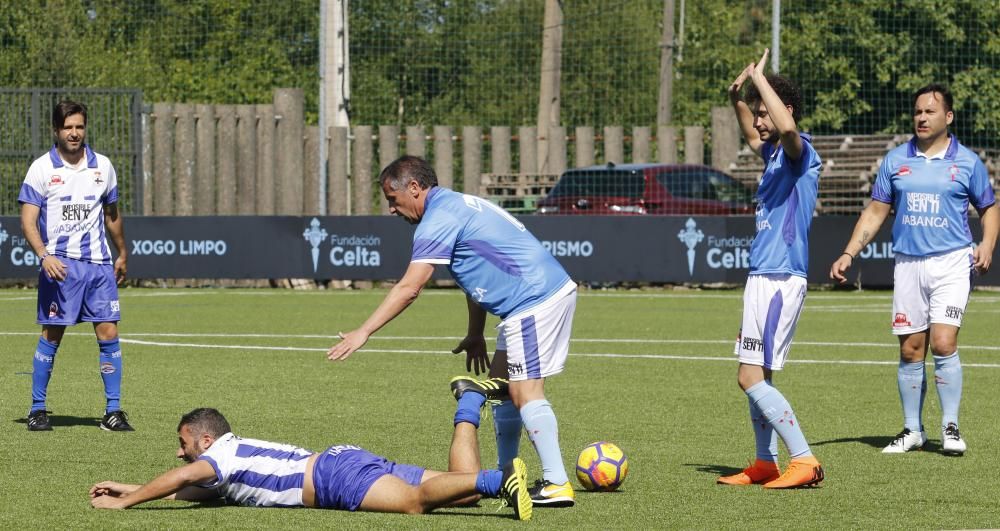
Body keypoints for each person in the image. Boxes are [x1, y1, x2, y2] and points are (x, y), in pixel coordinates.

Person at [327, 155, 579, 507]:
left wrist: (363, 331)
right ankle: (507, 475)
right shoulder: (453, 204)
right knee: (502, 388)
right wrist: (475, 333)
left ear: (414, 188)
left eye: (392, 198)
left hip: (534, 299)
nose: (391, 209)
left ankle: (556, 483)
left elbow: (410, 287)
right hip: (532, 299)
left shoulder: (438, 217)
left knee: (525, 392)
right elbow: (475, 276)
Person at [830, 83, 998, 455]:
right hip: (908, 264)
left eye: (930, 111)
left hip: (952, 262)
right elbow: (875, 212)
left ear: (948, 117)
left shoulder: (968, 162)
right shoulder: (895, 160)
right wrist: (849, 253)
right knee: (911, 350)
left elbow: (989, 208)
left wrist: (986, 244)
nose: (921, 117)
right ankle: (911, 431)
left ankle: (950, 427)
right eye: (918, 111)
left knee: (943, 342)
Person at [88, 407, 532, 521]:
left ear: (206, 438)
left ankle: (502, 479)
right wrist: (130, 488)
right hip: (343, 459)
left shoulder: (217, 455)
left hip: (330, 477)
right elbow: (188, 489)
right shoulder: (231, 456)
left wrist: (123, 507)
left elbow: (184, 476)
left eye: (183, 443)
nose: (180, 452)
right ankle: (470, 402)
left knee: (415, 504)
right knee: (464, 490)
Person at [716, 49, 825, 489]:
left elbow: (787, 129)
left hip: (782, 278)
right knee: (757, 373)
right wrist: (736, 98)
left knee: (748, 377)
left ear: (783, 110)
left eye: (766, 113)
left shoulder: (801, 152)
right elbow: (752, 132)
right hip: (762, 275)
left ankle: (804, 459)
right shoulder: (773, 156)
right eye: (758, 114)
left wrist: (761, 80)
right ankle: (765, 462)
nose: (760, 121)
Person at [18, 100, 132, 432]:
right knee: (52, 335)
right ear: (56, 130)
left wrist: (122, 252)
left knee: (109, 333)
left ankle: (113, 412)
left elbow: (112, 215)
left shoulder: (104, 166)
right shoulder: (41, 168)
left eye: (79, 126)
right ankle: (37, 409)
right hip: (61, 267)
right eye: (68, 127)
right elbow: (28, 220)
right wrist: (44, 255)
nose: (74, 133)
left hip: (99, 266)